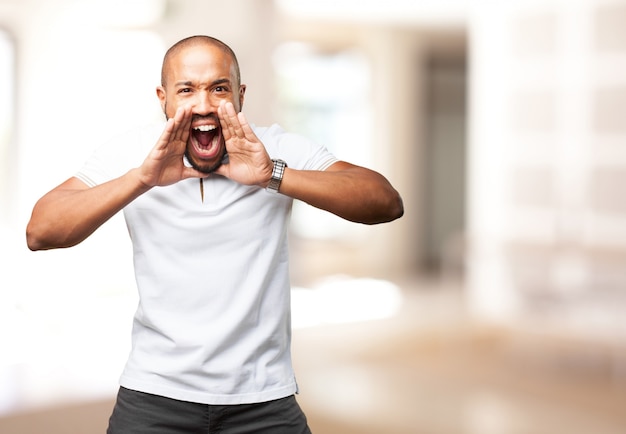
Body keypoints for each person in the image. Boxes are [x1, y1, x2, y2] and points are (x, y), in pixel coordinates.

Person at [26, 35, 403, 433]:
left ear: (240, 95)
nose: (203, 104)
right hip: (154, 394)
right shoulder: (132, 153)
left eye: (218, 88)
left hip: (263, 399)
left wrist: (272, 175)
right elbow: (41, 231)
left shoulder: (274, 146)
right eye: (186, 89)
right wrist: (142, 179)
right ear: (163, 98)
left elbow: (385, 202)